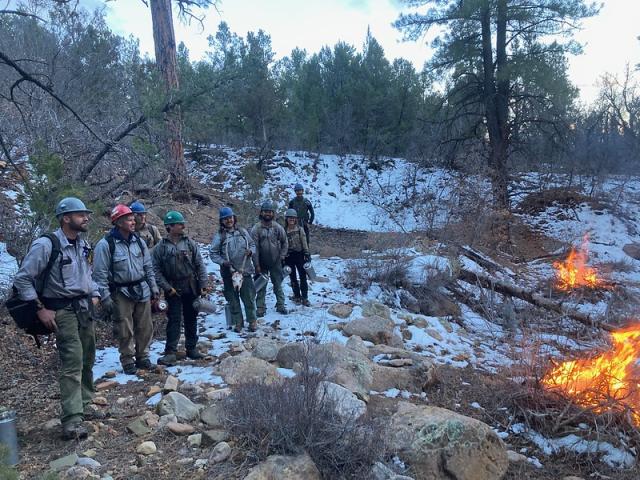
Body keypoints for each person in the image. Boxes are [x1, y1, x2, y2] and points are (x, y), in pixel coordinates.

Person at [13, 197, 100, 440]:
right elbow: (23, 278)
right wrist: (40, 308)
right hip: (62, 311)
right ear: (66, 218)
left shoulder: (83, 244)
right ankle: (72, 419)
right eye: (80, 214)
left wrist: (95, 294)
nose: (86, 218)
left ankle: (85, 403)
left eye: (86, 213)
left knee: (88, 357)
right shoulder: (46, 244)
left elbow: (88, 274)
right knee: (72, 361)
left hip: (85, 308)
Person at [93, 204, 159, 375]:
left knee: (145, 326)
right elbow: (99, 274)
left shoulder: (139, 241)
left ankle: (143, 357)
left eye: (132, 218)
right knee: (124, 328)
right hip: (120, 292)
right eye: (129, 219)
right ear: (118, 222)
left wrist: (154, 288)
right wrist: (105, 298)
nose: (133, 221)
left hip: (142, 288)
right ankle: (128, 360)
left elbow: (148, 267)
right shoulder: (105, 245)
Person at [153, 211, 208, 366]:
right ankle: (170, 352)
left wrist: (203, 285)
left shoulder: (190, 243)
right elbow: (155, 270)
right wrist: (166, 287)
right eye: (179, 224)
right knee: (174, 320)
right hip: (173, 288)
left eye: (183, 223)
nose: (183, 226)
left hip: (191, 286)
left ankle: (192, 348)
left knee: (191, 318)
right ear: (169, 227)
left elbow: (199, 264)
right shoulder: (160, 247)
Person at [210, 207, 258, 332]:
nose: (229, 221)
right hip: (228, 273)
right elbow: (213, 253)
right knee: (232, 299)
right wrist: (223, 262)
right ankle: (238, 323)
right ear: (221, 221)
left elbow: (252, 244)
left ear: (234, 218)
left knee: (249, 297)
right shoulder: (220, 236)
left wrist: (251, 251)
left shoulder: (242, 231)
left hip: (245, 270)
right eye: (225, 219)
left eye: (230, 218)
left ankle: (252, 321)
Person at [251, 200, 288, 317]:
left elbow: (285, 242)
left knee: (278, 284)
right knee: (261, 285)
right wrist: (256, 264)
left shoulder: (278, 227)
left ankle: (281, 305)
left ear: (273, 214)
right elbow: (254, 248)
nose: (268, 214)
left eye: (270, 212)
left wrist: (282, 255)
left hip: (276, 261)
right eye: (266, 211)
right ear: (261, 213)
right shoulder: (256, 229)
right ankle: (261, 307)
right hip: (261, 262)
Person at [283, 208, 311, 306]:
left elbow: (304, 241)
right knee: (292, 277)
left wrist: (307, 253)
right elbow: (281, 244)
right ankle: (297, 296)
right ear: (286, 219)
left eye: (293, 218)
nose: (291, 219)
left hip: (299, 255)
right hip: (288, 256)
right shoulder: (283, 231)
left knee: (303, 276)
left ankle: (305, 297)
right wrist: (282, 257)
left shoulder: (300, 229)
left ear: (296, 219)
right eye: (289, 218)